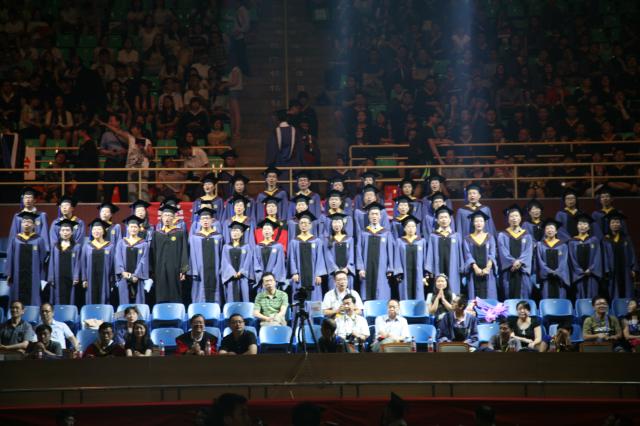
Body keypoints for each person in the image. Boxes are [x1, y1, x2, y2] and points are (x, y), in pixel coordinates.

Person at [7, 211, 48, 306]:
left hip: (34, 277)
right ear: (21, 224)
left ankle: (33, 313)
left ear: (34, 225)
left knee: (33, 299)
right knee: (17, 299)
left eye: (29, 222)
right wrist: (9, 273)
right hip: (17, 276)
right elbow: (10, 257)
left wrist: (42, 277)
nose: (26, 224)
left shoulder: (39, 240)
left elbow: (43, 261)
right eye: (24, 222)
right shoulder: (15, 239)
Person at [150, 204, 189, 303]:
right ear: (161, 218)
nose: (167, 218)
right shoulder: (156, 234)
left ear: (174, 218)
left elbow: (184, 251)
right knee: (161, 292)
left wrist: (183, 270)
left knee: (175, 292)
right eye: (165, 215)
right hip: (159, 269)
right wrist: (152, 271)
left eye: (170, 216)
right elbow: (152, 253)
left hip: (175, 269)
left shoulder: (179, 233)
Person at [356, 202, 395, 301]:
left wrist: (390, 268)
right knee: (367, 292)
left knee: (381, 291)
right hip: (366, 268)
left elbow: (390, 252)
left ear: (380, 216)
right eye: (372, 214)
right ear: (368, 216)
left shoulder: (386, 233)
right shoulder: (363, 233)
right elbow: (359, 251)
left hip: (382, 269)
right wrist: (361, 268)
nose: (374, 216)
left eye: (376, 214)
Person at [288, 211, 327, 301]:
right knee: (299, 298)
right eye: (301, 223)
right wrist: (294, 273)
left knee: (314, 298)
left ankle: (313, 311)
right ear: (299, 225)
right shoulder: (294, 241)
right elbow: (292, 258)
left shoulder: (317, 241)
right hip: (299, 276)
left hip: (313, 276)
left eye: (306, 223)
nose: (303, 225)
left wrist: (318, 274)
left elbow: (320, 258)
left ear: (310, 225)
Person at [426, 206, 465, 297]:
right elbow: (430, 253)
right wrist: (429, 268)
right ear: (437, 220)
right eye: (441, 217)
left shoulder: (456, 235)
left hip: (453, 268)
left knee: (453, 289)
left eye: (446, 217)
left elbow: (460, 253)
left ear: (450, 220)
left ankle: (453, 304)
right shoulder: (433, 236)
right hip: (438, 267)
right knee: (438, 287)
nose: (444, 220)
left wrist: (461, 266)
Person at [497, 205, 534, 300]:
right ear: (508, 219)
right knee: (508, 294)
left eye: (516, 216)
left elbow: (528, 251)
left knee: (523, 295)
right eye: (511, 216)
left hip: (522, 270)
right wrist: (513, 262)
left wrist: (520, 262)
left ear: (520, 218)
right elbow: (502, 251)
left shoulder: (527, 236)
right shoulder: (502, 235)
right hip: (509, 270)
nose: (514, 218)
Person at [189, 207, 224, 303]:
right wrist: (194, 270)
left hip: (215, 271)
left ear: (212, 220)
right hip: (200, 271)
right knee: (200, 292)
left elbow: (222, 255)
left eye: (207, 218)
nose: (205, 221)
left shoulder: (218, 237)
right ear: (200, 221)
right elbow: (192, 256)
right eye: (203, 218)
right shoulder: (194, 238)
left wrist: (221, 269)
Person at [463, 211, 498, 300]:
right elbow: (467, 254)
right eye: (476, 221)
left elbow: (492, 253)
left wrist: (488, 268)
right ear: (473, 223)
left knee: (489, 295)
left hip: (488, 272)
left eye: (481, 221)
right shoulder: (468, 239)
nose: (479, 223)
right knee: (474, 296)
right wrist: (475, 267)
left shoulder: (490, 237)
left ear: (484, 223)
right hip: (473, 272)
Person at [114, 215, 150, 305]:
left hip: (138, 278)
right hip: (124, 277)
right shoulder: (121, 243)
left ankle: (139, 315)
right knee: (124, 301)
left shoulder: (144, 244)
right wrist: (123, 272)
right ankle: (123, 314)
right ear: (127, 228)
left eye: (135, 227)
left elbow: (144, 260)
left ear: (139, 229)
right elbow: (118, 258)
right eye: (131, 227)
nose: (133, 229)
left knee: (138, 301)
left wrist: (136, 275)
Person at [602, 210, 637, 299]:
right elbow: (604, 256)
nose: (615, 224)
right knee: (614, 291)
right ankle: (615, 306)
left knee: (627, 291)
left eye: (617, 222)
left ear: (621, 224)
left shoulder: (626, 238)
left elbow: (632, 253)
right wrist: (606, 270)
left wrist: (633, 268)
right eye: (613, 222)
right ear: (609, 225)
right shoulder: (605, 240)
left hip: (625, 270)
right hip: (612, 271)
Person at [568, 213, 603, 300]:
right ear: (577, 226)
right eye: (580, 224)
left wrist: (591, 269)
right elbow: (572, 259)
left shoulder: (594, 240)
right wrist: (579, 271)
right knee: (580, 297)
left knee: (593, 296)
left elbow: (597, 257)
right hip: (578, 276)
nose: (582, 226)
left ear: (589, 227)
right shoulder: (572, 242)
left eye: (585, 224)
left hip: (592, 274)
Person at [80, 219, 115, 305]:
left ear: (103, 231)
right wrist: (84, 279)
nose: (96, 231)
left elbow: (113, 264)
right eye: (94, 229)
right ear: (91, 232)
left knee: (104, 299)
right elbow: (83, 263)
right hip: (90, 278)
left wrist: (112, 279)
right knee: (91, 299)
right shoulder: (87, 246)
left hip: (105, 279)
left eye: (99, 229)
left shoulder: (110, 246)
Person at [47, 218, 82, 305]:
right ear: (59, 232)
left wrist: (76, 276)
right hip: (57, 278)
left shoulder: (76, 247)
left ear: (72, 232)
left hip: (71, 278)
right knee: (57, 298)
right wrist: (51, 277)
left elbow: (78, 263)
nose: (65, 232)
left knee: (71, 298)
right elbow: (51, 263)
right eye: (63, 230)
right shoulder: (55, 247)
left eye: (67, 230)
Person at [394, 215, 428, 300]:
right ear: (404, 228)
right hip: (404, 275)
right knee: (405, 294)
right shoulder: (399, 241)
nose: (411, 229)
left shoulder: (421, 241)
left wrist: (425, 274)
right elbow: (397, 258)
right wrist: (399, 272)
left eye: (413, 226)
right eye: (408, 226)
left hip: (418, 274)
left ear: (416, 228)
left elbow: (425, 259)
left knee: (418, 293)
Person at [536, 219, 570, 299]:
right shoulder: (540, 245)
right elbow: (539, 261)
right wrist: (549, 271)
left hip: (559, 278)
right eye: (547, 228)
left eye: (552, 228)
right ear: (544, 231)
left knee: (560, 300)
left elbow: (564, 262)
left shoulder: (563, 245)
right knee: (547, 300)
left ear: (556, 231)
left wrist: (557, 272)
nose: (549, 230)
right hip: (546, 278)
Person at [99, 114, 129, 203]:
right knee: (108, 187)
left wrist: (125, 151)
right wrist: (110, 152)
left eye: (112, 121)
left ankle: (124, 207)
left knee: (123, 187)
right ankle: (106, 205)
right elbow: (101, 150)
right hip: (111, 162)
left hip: (122, 162)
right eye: (109, 121)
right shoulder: (106, 135)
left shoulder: (125, 133)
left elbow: (131, 148)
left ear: (118, 122)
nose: (109, 123)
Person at [9, 187, 49, 253]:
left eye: (30, 197)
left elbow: (44, 234)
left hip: (37, 248)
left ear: (34, 200)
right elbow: (13, 234)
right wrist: (12, 249)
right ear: (22, 200)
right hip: (21, 248)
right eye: (25, 198)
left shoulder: (41, 216)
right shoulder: (18, 217)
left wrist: (45, 250)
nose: (27, 200)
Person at [221, 221, 253, 303]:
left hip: (243, 277)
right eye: (233, 231)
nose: (234, 233)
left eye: (237, 231)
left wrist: (241, 272)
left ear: (242, 233)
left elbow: (248, 261)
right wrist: (232, 272)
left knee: (244, 297)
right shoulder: (226, 247)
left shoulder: (246, 246)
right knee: (231, 299)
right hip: (230, 277)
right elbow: (224, 261)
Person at [323, 212, 355, 289]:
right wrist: (336, 269)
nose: (337, 225)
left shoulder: (349, 239)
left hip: (347, 273)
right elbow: (328, 257)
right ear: (331, 225)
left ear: (343, 224)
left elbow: (352, 255)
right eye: (334, 222)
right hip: (334, 274)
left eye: (339, 222)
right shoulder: (328, 240)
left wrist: (347, 268)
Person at [252, 219, 286, 290]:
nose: (266, 231)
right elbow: (255, 263)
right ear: (262, 232)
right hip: (261, 280)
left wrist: (271, 277)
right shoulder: (258, 247)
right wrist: (261, 276)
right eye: (264, 229)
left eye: (269, 229)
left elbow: (279, 264)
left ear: (273, 232)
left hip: (274, 280)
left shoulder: (278, 246)